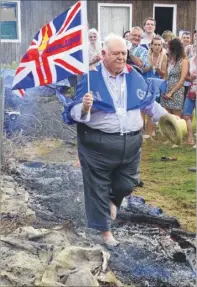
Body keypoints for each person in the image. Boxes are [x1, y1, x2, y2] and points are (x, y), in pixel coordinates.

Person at [63, 34, 169, 247]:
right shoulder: (90, 78)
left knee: (128, 183)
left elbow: (148, 103)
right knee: (98, 187)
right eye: (116, 53)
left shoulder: (134, 76)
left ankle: (114, 200)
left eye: (124, 53)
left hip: (131, 143)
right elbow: (72, 111)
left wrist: (167, 118)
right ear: (104, 54)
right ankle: (105, 232)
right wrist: (84, 107)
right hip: (98, 145)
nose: (121, 57)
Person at [143, 36, 167, 138]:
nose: (157, 47)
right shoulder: (146, 54)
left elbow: (163, 73)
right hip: (145, 82)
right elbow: (142, 70)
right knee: (143, 108)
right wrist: (150, 66)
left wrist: (157, 68)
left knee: (152, 110)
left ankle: (150, 131)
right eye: (155, 44)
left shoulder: (163, 56)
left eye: (159, 45)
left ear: (161, 46)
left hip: (155, 85)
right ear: (151, 46)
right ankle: (142, 131)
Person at [160, 38, 189, 117]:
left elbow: (182, 80)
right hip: (166, 92)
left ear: (173, 48)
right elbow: (165, 76)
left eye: (168, 47)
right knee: (166, 119)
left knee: (176, 121)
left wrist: (171, 92)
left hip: (177, 92)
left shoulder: (184, 61)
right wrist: (163, 90)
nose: (167, 49)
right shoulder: (169, 60)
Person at [183, 45, 196, 145]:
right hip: (191, 91)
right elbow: (185, 76)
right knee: (186, 115)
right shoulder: (190, 60)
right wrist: (190, 78)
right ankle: (190, 138)